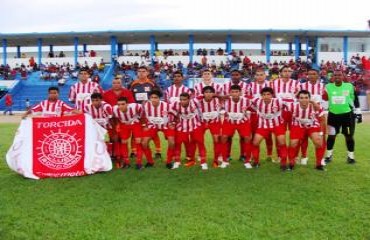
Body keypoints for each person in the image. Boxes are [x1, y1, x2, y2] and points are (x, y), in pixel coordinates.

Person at [323, 69, 362, 164]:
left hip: (347, 117)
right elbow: (324, 99)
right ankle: (328, 156)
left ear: (343, 76)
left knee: (349, 136)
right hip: (333, 116)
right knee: (331, 136)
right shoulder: (327, 87)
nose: (337, 77)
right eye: (335, 75)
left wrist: (358, 112)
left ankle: (351, 157)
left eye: (339, 75)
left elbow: (355, 100)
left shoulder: (349, 86)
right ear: (333, 77)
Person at [251, 87, 288, 170]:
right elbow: (248, 103)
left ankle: (283, 163)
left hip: (277, 125)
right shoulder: (256, 101)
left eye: (268, 94)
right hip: (263, 125)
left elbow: (290, 105)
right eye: (264, 95)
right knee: (255, 143)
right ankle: (256, 162)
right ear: (261, 96)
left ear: (272, 95)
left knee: (282, 143)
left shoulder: (279, 101)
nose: (266, 96)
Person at [287, 90, 326, 170]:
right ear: (298, 99)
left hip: (312, 125)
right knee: (293, 143)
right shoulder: (292, 106)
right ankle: (291, 163)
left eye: (306, 98)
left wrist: (321, 133)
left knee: (319, 142)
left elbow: (322, 120)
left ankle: (319, 164)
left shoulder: (316, 106)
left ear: (309, 98)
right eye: (301, 98)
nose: (304, 100)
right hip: (297, 125)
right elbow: (287, 117)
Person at [130, 66, 162, 159]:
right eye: (139, 71)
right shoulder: (133, 84)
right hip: (136, 112)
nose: (141, 73)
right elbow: (129, 96)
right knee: (135, 131)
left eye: (143, 71)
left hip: (149, 111)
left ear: (147, 73)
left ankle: (158, 151)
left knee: (153, 130)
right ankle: (133, 151)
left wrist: (149, 101)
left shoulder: (152, 83)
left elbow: (159, 95)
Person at [298, 67, 327, 165]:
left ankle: (321, 158)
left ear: (318, 75)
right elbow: (297, 98)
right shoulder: (302, 86)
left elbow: (325, 98)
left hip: (318, 114)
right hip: (305, 113)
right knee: (303, 136)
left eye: (314, 74)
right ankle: (304, 156)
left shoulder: (323, 86)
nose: (311, 76)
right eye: (309, 74)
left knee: (321, 136)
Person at [171, 92, 207, 170]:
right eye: (181, 100)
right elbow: (172, 114)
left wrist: (220, 96)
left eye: (184, 100)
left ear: (189, 99)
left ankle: (203, 163)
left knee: (200, 143)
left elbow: (204, 95)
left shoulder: (195, 101)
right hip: (181, 126)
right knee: (177, 143)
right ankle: (177, 161)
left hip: (195, 125)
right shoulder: (176, 104)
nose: (182, 101)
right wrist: (173, 122)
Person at [220, 85, 252, 169]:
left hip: (243, 122)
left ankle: (247, 161)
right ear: (230, 93)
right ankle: (224, 160)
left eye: (236, 92)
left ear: (240, 93)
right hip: (229, 121)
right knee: (223, 137)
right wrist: (223, 96)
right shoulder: (225, 100)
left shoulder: (247, 100)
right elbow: (216, 96)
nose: (234, 94)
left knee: (247, 138)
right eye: (232, 92)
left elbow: (256, 105)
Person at [103, 77, 135, 161]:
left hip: (123, 119)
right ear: (112, 84)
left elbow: (132, 105)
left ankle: (122, 154)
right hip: (111, 120)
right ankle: (114, 154)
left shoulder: (127, 92)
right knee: (113, 137)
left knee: (122, 138)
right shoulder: (106, 94)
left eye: (118, 83)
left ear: (121, 83)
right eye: (114, 83)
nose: (116, 84)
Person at [142, 90, 176, 169]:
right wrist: (144, 125)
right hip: (152, 125)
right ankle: (150, 162)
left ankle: (169, 161)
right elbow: (142, 115)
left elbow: (176, 114)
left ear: (159, 98)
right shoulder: (146, 105)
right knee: (144, 142)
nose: (153, 99)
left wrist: (173, 123)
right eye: (152, 97)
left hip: (165, 125)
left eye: (156, 97)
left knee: (172, 142)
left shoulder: (167, 106)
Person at [112, 97, 147, 169]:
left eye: (123, 104)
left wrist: (143, 125)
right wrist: (117, 125)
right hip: (123, 124)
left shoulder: (136, 106)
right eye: (118, 104)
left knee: (138, 141)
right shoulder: (114, 109)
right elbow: (114, 118)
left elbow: (143, 115)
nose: (120, 106)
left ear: (127, 104)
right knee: (124, 141)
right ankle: (126, 162)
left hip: (135, 123)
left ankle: (139, 163)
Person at [248, 68, 274, 162]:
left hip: (268, 114)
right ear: (255, 76)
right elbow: (248, 97)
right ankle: (252, 154)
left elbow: (274, 97)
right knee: (254, 134)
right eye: (258, 75)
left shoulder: (270, 84)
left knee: (268, 135)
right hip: (255, 113)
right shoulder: (251, 85)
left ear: (265, 75)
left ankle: (269, 155)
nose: (259, 77)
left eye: (261, 74)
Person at [197, 86, 223, 167]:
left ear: (213, 93)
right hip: (202, 122)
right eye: (206, 92)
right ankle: (201, 155)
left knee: (216, 139)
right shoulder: (198, 101)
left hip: (214, 122)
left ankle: (216, 158)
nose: (208, 94)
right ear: (203, 93)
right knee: (199, 139)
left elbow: (226, 97)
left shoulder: (217, 100)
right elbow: (192, 98)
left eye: (210, 92)